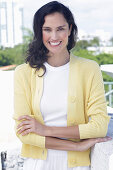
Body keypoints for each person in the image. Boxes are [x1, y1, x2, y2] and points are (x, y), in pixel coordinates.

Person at [13, 1, 111, 170]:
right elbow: (24, 134)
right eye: (47, 30)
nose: (55, 37)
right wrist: (76, 146)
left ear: (70, 29)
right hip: (38, 164)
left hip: (77, 166)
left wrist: (46, 130)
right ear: (39, 32)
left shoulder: (89, 69)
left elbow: (99, 127)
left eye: (60, 28)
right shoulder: (23, 73)